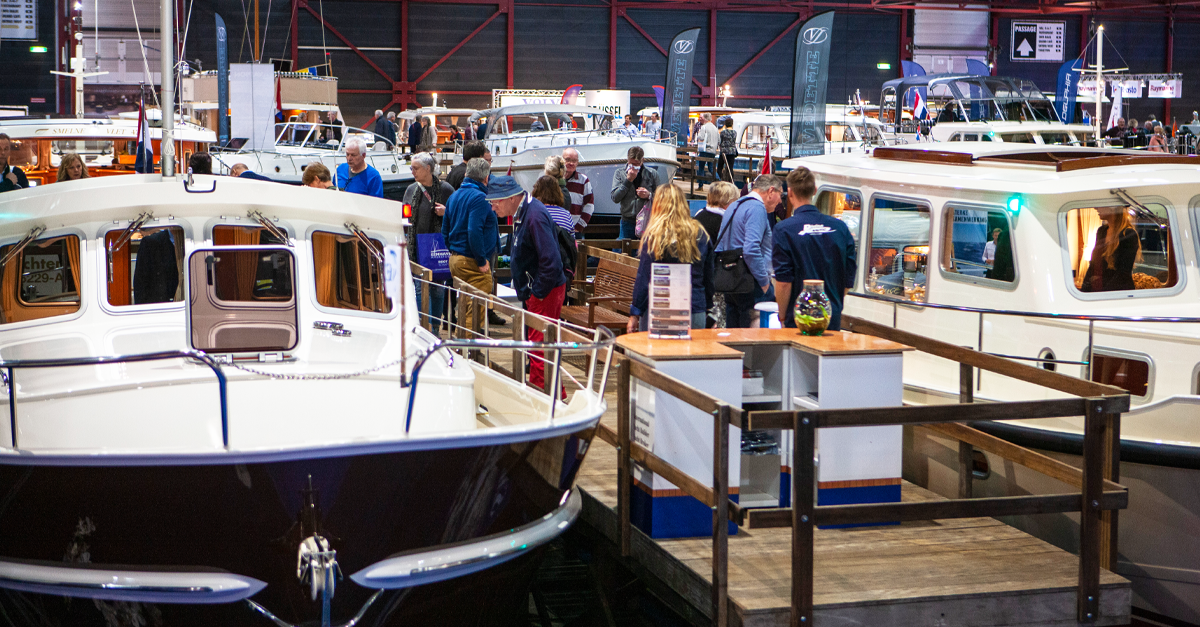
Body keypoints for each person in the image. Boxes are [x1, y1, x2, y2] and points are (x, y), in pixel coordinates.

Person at [487, 175, 565, 390]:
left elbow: (551, 260)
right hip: (538, 289)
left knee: (539, 346)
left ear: (509, 198)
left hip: (544, 291)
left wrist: (536, 292)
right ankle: (554, 391)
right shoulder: (525, 212)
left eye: (494, 202)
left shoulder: (534, 215)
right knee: (537, 345)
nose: (493, 208)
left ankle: (545, 394)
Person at [771, 167, 857, 332]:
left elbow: (783, 282)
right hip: (831, 318)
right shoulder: (840, 228)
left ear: (789, 193)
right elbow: (848, 278)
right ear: (815, 190)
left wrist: (782, 317)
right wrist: (833, 304)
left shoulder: (784, 230)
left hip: (797, 319)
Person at [628, 185, 715, 332]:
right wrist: (707, 306)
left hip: (661, 307)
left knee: (656, 354)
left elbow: (644, 277)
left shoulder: (655, 236)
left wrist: (635, 312)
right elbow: (709, 276)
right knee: (691, 354)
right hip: (694, 307)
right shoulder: (700, 234)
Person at [716, 174, 782, 328]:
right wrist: (764, 282)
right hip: (751, 283)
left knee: (734, 336)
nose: (780, 201)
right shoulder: (757, 208)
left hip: (730, 283)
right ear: (771, 191)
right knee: (755, 339)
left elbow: (720, 245)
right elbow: (751, 249)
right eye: (780, 194)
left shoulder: (733, 206)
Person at [443, 157, 497, 333]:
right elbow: (474, 231)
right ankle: (464, 351)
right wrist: (481, 260)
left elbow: (445, 230)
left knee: (465, 306)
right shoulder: (480, 198)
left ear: (466, 174)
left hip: (456, 258)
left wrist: (453, 250)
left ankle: (460, 347)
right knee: (474, 312)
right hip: (473, 261)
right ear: (486, 178)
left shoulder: (454, 196)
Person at [405, 152, 455, 335]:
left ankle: (435, 329)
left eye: (416, 168)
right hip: (417, 249)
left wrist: (446, 212)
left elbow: (457, 214)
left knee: (437, 290)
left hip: (438, 249)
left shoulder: (446, 189)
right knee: (419, 289)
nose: (413, 172)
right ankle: (422, 329)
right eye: (411, 168)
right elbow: (405, 217)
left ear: (428, 169)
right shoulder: (411, 190)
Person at [1081, 206, 1140, 292]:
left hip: (1118, 293)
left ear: (1112, 207)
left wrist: (1101, 291)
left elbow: (1123, 273)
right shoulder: (1102, 231)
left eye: (1100, 204)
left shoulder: (1128, 234)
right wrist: (1084, 290)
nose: (1096, 208)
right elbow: (1093, 265)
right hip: (1101, 290)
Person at [611, 146, 658, 239]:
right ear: (628, 160)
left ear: (642, 161)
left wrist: (649, 195)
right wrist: (628, 180)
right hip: (627, 221)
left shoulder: (652, 174)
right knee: (624, 250)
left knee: (644, 252)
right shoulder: (620, 173)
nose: (634, 167)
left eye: (637, 164)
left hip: (647, 221)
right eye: (631, 163)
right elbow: (615, 198)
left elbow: (662, 197)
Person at [562, 147, 594, 233]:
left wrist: (579, 227)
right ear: (561, 161)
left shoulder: (583, 180)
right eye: (567, 160)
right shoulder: (552, 179)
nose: (571, 163)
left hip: (574, 230)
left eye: (574, 161)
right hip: (554, 230)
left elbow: (589, 205)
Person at [696, 113, 721, 183]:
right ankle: (719, 181)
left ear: (704, 119)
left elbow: (701, 137)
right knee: (711, 168)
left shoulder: (704, 127)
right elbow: (719, 140)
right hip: (713, 151)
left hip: (705, 150)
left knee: (700, 168)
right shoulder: (715, 128)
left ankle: (700, 185)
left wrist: (698, 134)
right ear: (711, 119)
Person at [717, 117, 738, 181]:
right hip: (732, 152)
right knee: (730, 168)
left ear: (725, 124)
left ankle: (721, 179)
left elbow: (721, 141)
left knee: (719, 167)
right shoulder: (734, 132)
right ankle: (730, 181)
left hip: (724, 152)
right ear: (732, 124)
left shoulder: (723, 132)